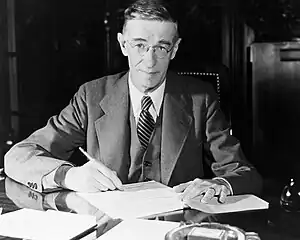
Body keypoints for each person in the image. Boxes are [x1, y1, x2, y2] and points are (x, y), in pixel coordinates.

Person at [4, 0, 262, 204]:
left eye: (161, 47)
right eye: (140, 45)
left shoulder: (201, 100)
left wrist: (218, 185)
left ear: (175, 49)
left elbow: (244, 173)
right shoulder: (91, 97)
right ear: (122, 44)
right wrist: (69, 175)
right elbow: (18, 156)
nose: (149, 62)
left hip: (174, 229)